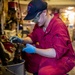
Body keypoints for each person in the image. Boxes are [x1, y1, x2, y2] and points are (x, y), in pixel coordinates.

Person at [10, 0, 75, 75]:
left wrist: (35, 50)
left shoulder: (58, 26)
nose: (35, 21)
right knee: (29, 60)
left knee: (45, 72)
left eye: (35, 18)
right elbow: (33, 38)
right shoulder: (39, 24)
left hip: (62, 58)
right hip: (47, 52)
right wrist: (21, 40)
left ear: (44, 12)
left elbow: (56, 53)